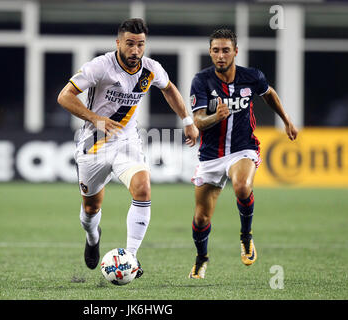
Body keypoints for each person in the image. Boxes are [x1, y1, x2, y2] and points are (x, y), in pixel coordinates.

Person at [57, 18, 199, 278]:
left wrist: (187, 121)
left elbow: (169, 89)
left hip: (127, 141)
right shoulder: (100, 66)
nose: (135, 50)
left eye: (141, 44)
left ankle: (131, 257)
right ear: (118, 43)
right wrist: (95, 118)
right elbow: (64, 96)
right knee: (91, 208)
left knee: (143, 189)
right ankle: (92, 238)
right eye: (130, 44)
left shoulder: (150, 69)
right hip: (94, 143)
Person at [188, 29, 298, 279]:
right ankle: (202, 257)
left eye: (226, 50)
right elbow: (197, 120)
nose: (220, 55)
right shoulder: (201, 80)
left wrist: (286, 119)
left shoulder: (252, 77)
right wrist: (216, 116)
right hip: (210, 156)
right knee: (201, 218)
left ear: (235, 51)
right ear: (210, 52)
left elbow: (268, 93)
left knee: (241, 186)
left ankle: (246, 237)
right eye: (215, 50)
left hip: (242, 148)